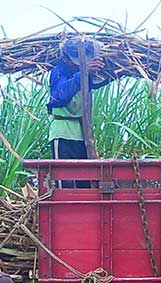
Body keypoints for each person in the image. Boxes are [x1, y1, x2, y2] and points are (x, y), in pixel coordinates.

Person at [47, 36, 110, 186]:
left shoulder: (83, 74)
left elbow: (99, 81)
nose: (77, 66)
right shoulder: (59, 71)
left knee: (85, 181)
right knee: (65, 182)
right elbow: (61, 95)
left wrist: (105, 69)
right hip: (63, 133)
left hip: (82, 134)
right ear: (66, 58)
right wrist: (83, 72)